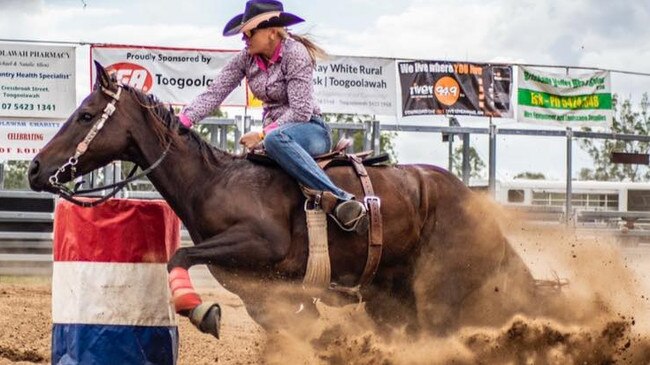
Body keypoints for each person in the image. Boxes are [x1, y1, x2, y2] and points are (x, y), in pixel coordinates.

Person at [178, 0, 367, 231]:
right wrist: (182, 122)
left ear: (271, 32)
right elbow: (215, 92)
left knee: (274, 140)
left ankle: (340, 199)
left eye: (249, 32)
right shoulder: (245, 59)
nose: (244, 38)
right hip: (276, 135)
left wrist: (261, 134)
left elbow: (301, 111)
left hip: (310, 129)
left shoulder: (295, 53)